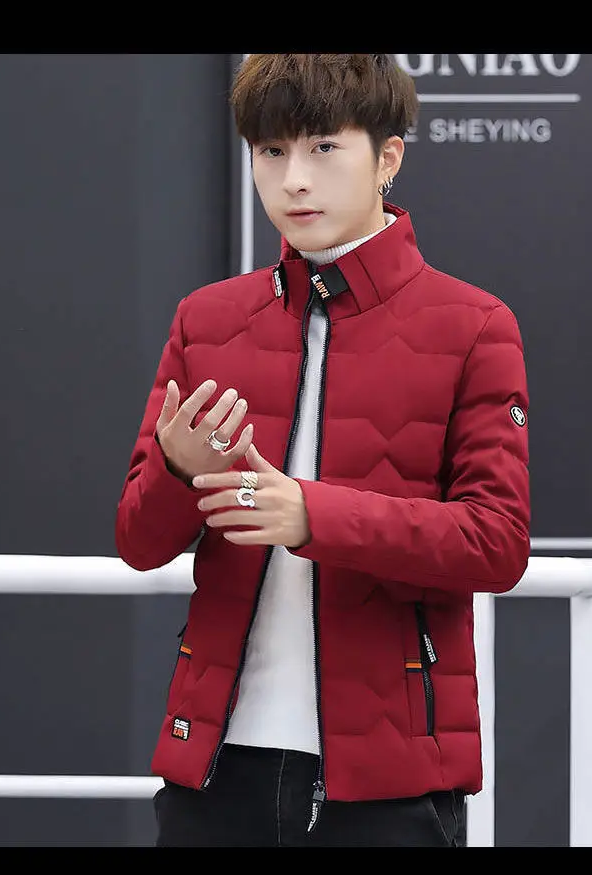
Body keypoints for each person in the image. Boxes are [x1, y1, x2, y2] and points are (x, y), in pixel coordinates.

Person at [115, 53, 530, 848]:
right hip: (215, 767)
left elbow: (497, 543)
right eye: (271, 151)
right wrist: (178, 470)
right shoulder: (206, 320)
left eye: (324, 148)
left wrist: (314, 515)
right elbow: (138, 541)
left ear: (388, 157)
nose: (294, 180)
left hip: (388, 784)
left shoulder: (474, 326)